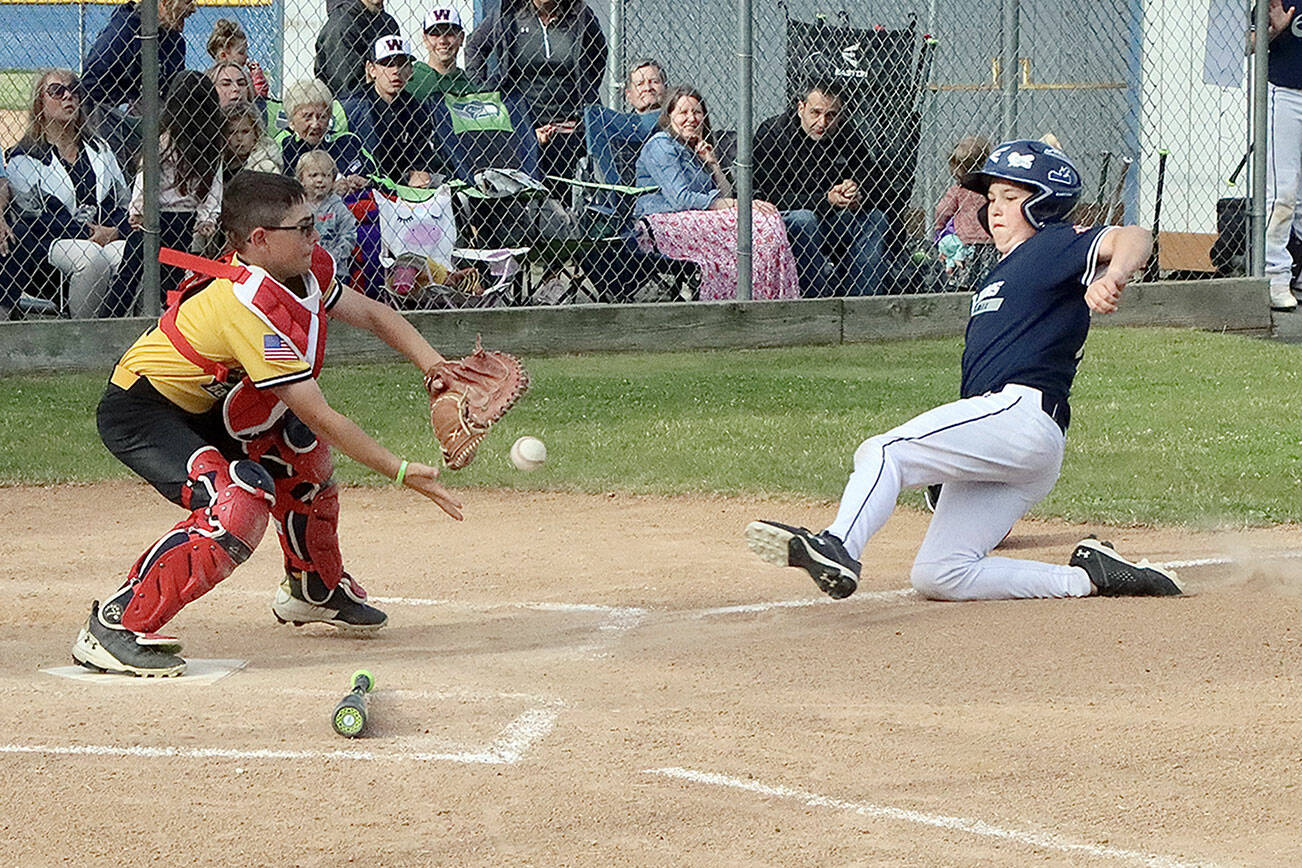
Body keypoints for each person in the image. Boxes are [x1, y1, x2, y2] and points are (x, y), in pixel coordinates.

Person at [746, 140, 1184, 602]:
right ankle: (1090, 576)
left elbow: (1135, 235)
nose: (996, 209)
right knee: (939, 573)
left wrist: (1113, 276)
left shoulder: (1053, 245)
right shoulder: (999, 271)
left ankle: (838, 545)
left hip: (1021, 414)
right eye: (992, 198)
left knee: (884, 451)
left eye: (1012, 199)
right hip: (1014, 436)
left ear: (1043, 204)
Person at [71, 171, 463, 677]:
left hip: (207, 405)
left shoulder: (303, 271)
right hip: (142, 411)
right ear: (259, 240)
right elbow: (320, 412)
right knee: (239, 502)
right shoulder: (246, 308)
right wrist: (400, 469)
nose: (315, 237)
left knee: (302, 455)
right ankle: (114, 624)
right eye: (301, 228)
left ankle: (313, 588)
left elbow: (373, 314)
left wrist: (436, 366)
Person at [634, 86, 799, 301]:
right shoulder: (661, 146)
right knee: (758, 224)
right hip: (662, 223)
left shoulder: (694, 149)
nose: (691, 118)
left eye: (697, 112)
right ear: (669, 117)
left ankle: (763, 294)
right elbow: (681, 199)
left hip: (700, 219)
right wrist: (740, 205)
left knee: (766, 221)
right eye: (683, 112)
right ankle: (754, 295)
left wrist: (713, 164)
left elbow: (725, 194)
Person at [2, 70, 130, 319]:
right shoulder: (25, 155)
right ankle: (84, 334)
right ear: (41, 102)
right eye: (57, 91)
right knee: (92, 259)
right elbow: (32, 218)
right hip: (50, 245)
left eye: (74, 89)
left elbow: (123, 201)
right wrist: (87, 233)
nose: (68, 96)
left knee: (130, 252)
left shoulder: (99, 148)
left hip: (104, 235)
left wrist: (113, 231)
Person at [101, 71, 224, 317]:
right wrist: (206, 217)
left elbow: (145, 178)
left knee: (137, 274)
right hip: (171, 217)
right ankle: (157, 319)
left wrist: (138, 210)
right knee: (155, 276)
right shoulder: (172, 141)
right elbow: (213, 187)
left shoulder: (196, 143)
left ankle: (116, 319)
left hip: (169, 217)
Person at [752, 79, 887, 297]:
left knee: (875, 219)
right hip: (788, 221)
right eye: (815, 113)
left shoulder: (846, 133)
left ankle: (861, 305)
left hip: (833, 219)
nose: (823, 123)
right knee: (805, 220)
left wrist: (856, 190)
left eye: (831, 115)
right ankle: (816, 303)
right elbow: (769, 196)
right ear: (801, 108)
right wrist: (825, 200)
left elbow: (871, 176)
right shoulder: (774, 133)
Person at [465, 0, 606, 183]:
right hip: (523, 125)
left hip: (569, 126)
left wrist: (586, 90)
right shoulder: (510, 14)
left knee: (568, 195)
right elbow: (474, 46)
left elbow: (599, 54)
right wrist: (483, 91)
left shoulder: (580, 15)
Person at [81, 0, 194, 172]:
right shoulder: (125, 31)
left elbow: (173, 95)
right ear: (164, 3)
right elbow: (89, 85)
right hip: (115, 130)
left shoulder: (175, 42)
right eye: (187, 1)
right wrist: (125, 106)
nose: (193, 8)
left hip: (155, 132)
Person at [1250, 0, 1302, 310]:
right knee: (1282, 191)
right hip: (1285, 93)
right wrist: (1273, 30)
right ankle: (1275, 275)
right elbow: (1243, 45)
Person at [338, 37, 436, 188]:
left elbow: (420, 169)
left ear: (410, 70)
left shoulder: (416, 110)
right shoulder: (350, 108)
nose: (396, 71)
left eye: (402, 64)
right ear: (372, 69)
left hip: (398, 190)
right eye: (387, 64)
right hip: (355, 187)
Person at [933, 135, 998, 291]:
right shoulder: (991, 187)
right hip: (991, 241)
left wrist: (939, 226)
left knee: (963, 282)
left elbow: (943, 209)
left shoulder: (959, 190)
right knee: (989, 281)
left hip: (966, 241)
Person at [314, 0, 402, 100]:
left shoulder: (388, 22)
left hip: (384, 104)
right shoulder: (343, 24)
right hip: (352, 108)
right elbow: (346, 89)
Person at [297, 150, 357, 271]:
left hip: (336, 268)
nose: (320, 180)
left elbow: (349, 234)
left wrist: (333, 257)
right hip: (304, 267)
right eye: (313, 175)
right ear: (301, 179)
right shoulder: (298, 205)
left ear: (333, 179)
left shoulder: (337, 206)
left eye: (326, 175)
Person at [407, 5, 479, 101]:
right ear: (425, 39)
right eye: (435, 34)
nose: (442, 41)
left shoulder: (469, 86)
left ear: (461, 38)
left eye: (449, 33)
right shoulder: (412, 79)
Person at [206, 18, 269, 99]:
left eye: (241, 83)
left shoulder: (246, 77)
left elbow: (260, 96)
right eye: (241, 52)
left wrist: (257, 77)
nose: (246, 56)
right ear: (223, 55)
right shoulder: (212, 78)